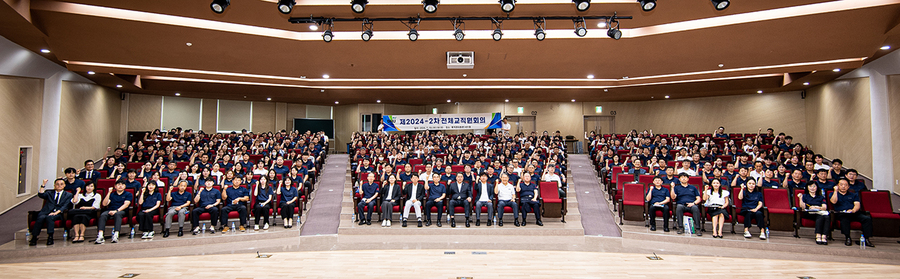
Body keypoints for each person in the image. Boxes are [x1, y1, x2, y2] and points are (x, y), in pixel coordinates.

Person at [830, 179, 875, 247]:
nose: (843, 186)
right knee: (845, 219)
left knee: (867, 218)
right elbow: (833, 201)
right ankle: (847, 237)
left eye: (845, 185)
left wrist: (853, 210)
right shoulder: (832, 194)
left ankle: (866, 238)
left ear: (848, 187)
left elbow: (857, 205)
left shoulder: (853, 194)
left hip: (853, 213)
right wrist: (835, 191)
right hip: (842, 213)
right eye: (841, 185)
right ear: (837, 186)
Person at [30, 179, 73, 246]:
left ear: (64, 185)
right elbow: (41, 195)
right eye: (57, 184)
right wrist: (43, 184)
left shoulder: (68, 195)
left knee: (50, 218)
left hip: (59, 213)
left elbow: (65, 206)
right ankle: (34, 237)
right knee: (40, 217)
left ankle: (50, 237)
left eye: (61, 184)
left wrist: (56, 213)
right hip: (46, 212)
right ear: (54, 185)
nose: (59, 186)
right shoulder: (49, 193)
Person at [96, 180, 133, 244]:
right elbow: (104, 204)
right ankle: (100, 235)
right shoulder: (112, 194)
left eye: (122, 185)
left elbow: (126, 205)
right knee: (103, 215)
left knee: (117, 215)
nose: (120, 186)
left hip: (121, 211)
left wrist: (116, 211)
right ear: (115, 186)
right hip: (110, 210)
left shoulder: (128, 194)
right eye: (118, 185)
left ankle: (116, 234)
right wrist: (109, 193)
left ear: (125, 186)